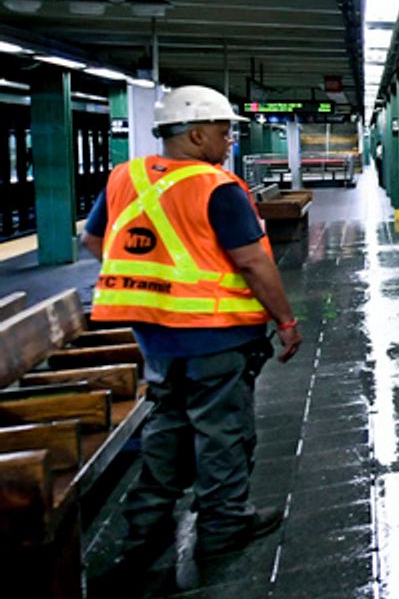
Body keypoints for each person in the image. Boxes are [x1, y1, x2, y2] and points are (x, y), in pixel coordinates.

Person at [79, 84, 303, 578]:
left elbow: (94, 240)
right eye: (224, 134)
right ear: (197, 134)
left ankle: (145, 527)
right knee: (222, 430)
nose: (228, 144)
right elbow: (252, 262)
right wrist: (285, 320)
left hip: (155, 336)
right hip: (215, 334)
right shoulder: (215, 186)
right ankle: (224, 526)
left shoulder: (125, 177)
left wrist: (153, 282)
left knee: (169, 421)